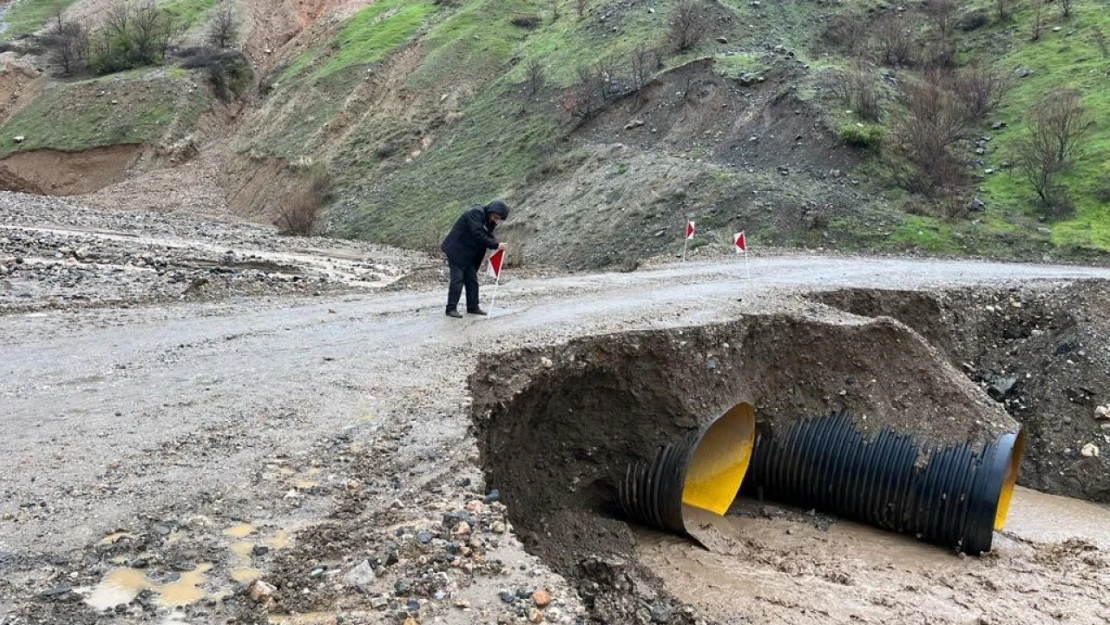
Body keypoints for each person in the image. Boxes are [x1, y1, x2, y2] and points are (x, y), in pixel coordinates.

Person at [440, 200, 509, 317]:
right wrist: (496, 245)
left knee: (472, 280)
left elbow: (486, 236)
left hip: (468, 253)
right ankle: (451, 309)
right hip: (456, 250)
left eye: (498, 218)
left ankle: (473, 307)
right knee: (457, 280)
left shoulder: (488, 221)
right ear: (492, 211)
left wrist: (496, 243)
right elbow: (478, 234)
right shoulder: (475, 213)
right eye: (495, 217)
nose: (495, 220)